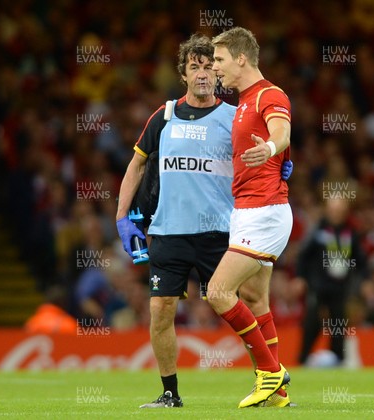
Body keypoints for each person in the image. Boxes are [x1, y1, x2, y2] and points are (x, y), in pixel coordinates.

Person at [115, 34, 293, 409]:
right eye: (193, 66)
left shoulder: (236, 114)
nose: (202, 73)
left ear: (217, 72)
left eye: (209, 65)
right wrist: (123, 218)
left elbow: (273, 137)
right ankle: (170, 393)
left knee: (249, 297)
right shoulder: (163, 115)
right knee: (161, 309)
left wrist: (282, 162)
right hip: (168, 231)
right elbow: (137, 164)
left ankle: (274, 386)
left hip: (221, 227)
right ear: (182, 74)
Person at [207, 27, 293, 408]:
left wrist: (274, 148)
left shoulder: (269, 94)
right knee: (255, 297)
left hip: (265, 212)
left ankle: (269, 371)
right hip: (246, 211)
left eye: (220, 60)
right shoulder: (243, 100)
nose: (215, 68)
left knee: (218, 292)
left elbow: (282, 130)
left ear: (242, 58)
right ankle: (278, 394)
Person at [295, 198, 367, 366]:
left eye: (340, 211)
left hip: (340, 287)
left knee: (338, 322)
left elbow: (360, 260)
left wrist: (365, 280)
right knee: (312, 321)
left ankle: (338, 359)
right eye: (333, 210)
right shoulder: (318, 231)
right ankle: (304, 357)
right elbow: (303, 257)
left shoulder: (350, 233)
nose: (336, 214)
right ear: (327, 211)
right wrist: (300, 277)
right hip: (318, 285)